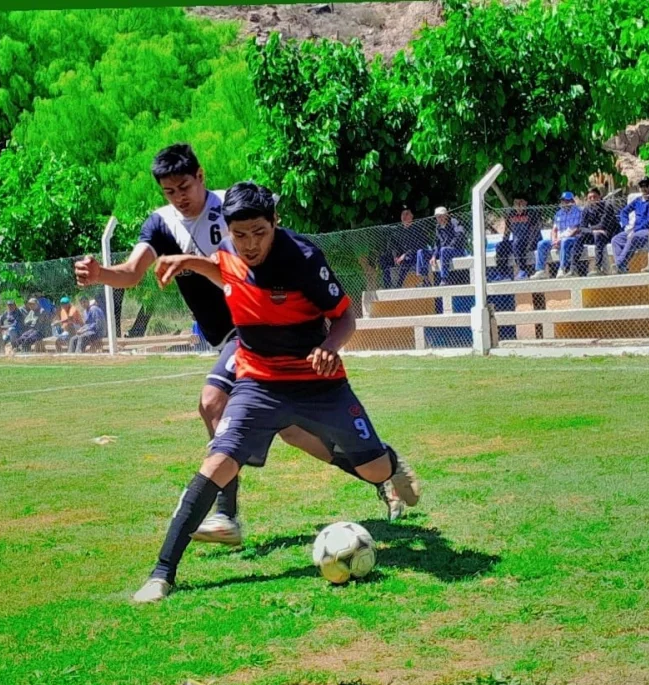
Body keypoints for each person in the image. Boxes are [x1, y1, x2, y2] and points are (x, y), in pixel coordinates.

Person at [75, 144, 412, 543]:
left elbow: (276, 250)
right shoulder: (161, 225)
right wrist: (101, 274)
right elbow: (131, 274)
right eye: (169, 191)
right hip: (227, 337)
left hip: (253, 333)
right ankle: (380, 471)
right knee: (295, 434)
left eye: (184, 186)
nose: (179, 198)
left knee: (211, 402)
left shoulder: (232, 209)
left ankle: (226, 515)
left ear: (201, 176)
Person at [132, 182, 421, 603]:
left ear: (276, 223)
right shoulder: (230, 250)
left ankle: (390, 463)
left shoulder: (303, 259)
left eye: (259, 233)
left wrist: (327, 348)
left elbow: (344, 318)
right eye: (240, 234)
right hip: (258, 381)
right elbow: (226, 270)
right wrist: (190, 263)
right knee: (217, 463)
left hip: (318, 382)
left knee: (374, 470)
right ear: (229, 230)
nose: (250, 244)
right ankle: (162, 574)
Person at [611, 178, 649, 273]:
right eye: (642, 186)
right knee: (616, 239)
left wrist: (634, 230)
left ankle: (619, 264)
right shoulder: (637, 200)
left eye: (646, 185)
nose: (644, 188)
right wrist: (626, 225)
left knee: (633, 237)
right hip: (635, 229)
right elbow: (624, 212)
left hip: (647, 230)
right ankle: (622, 267)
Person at [531, 192, 583, 279]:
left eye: (567, 201)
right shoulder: (558, 213)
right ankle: (540, 270)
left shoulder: (578, 212)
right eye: (563, 201)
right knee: (542, 243)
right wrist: (554, 240)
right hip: (558, 239)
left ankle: (562, 269)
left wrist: (560, 239)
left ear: (572, 201)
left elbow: (575, 229)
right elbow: (554, 229)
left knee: (564, 241)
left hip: (572, 238)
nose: (564, 203)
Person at [494, 195, 541, 280]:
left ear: (526, 203)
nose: (518, 205)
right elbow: (507, 232)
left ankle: (523, 271)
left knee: (517, 243)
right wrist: (504, 243)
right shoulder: (511, 214)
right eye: (516, 203)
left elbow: (534, 232)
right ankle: (503, 274)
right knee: (499, 246)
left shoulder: (531, 213)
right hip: (517, 243)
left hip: (531, 242)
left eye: (520, 202)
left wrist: (529, 246)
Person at [579, 187, 620, 277]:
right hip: (596, 234)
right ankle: (572, 268)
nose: (592, 199)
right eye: (590, 198)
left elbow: (603, 225)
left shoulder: (606, 206)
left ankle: (598, 267)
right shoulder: (587, 209)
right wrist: (593, 231)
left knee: (598, 235)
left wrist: (591, 229)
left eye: (595, 197)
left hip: (609, 235)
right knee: (579, 237)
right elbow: (581, 227)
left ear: (599, 197)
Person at [432, 206, 469, 286]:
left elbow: (460, 235)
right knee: (422, 253)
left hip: (458, 251)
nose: (439, 218)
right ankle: (426, 280)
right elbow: (437, 243)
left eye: (441, 216)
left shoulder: (454, 222)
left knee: (444, 250)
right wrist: (434, 255)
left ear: (446, 215)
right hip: (444, 252)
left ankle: (444, 279)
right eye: (437, 217)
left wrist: (449, 246)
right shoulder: (438, 227)